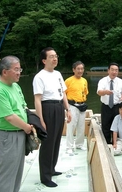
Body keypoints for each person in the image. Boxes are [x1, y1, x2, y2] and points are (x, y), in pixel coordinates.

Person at [0, 56, 32, 192]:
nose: (19, 72)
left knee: (17, 171)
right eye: (16, 69)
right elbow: (9, 117)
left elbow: (23, 106)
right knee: (7, 172)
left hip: (20, 133)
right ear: (5, 72)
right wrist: (26, 127)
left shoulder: (16, 86)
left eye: (20, 69)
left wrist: (31, 123)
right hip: (7, 136)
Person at [33, 47, 71, 187]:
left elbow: (64, 93)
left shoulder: (58, 74)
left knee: (56, 140)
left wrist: (68, 109)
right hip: (47, 108)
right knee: (48, 143)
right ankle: (45, 176)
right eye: (51, 57)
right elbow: (37, 99)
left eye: (56, 56)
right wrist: (40, 119)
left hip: (59, 107)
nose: (55, 58)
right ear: (44, 60)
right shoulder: (39, 77)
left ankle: (52, 168)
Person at [97, 62, 122, 144]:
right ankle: (106, 143)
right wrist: (105, 92)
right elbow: (99, 92)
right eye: (112, 70)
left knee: (117, 125)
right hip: (106, 106)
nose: (114, 72)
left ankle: (116, 143)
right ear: (108, 70)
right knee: (105, 125)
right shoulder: (103, 81)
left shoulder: (121, 82)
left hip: (117, 107)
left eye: (116, 70)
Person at [65, 61, 88, 155]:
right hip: (72, 105)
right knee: (71, 126)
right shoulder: (68, 81)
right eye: (78, 69)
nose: (80, 71)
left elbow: (85, 92)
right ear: (73, 70)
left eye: (82, 69)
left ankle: (79, 144)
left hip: (82, 105)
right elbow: (63, 95)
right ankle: (69, 146)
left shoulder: (84, 81)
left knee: (81, 126)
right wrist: (67, 109)